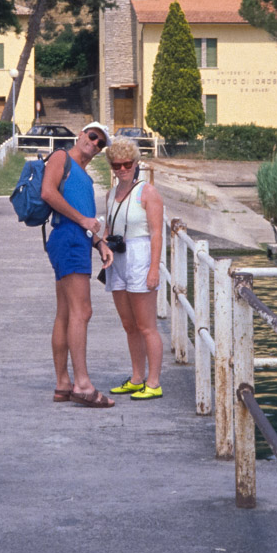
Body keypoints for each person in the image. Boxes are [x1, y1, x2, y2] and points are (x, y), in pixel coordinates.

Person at [41, 122, 115, 408]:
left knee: (66, 312)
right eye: (93, 136)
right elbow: (48, 193)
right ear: (81, 134)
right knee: (82, 311)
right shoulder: (62, 157)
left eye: (101, 144)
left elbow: (83, 218)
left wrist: (99, 243)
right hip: (69, 239)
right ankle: (82, 384)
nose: (95, 144)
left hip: (76, 240)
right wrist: (84, 222)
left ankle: (63, 384)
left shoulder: (83, 175)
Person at [100, 137, 167, 400]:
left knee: (146, 325)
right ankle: (137, 377)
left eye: (127, 164)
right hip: (118, 259)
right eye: (117, 165)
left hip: (140, 256)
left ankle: (154, 381)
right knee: (129, 324)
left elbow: (157, 234)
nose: (122, 169)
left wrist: (154, 269)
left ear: (136, 163)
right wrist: (104, 247)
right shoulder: (111, 194)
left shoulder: (147, 192)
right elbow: (108, 228)